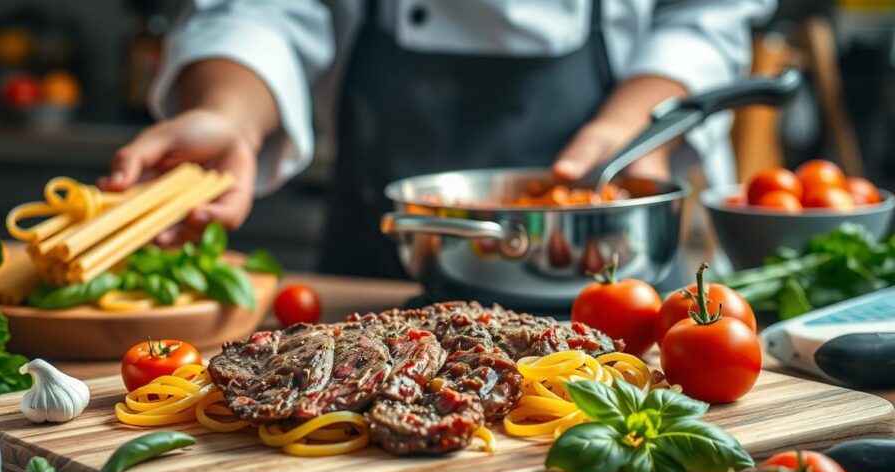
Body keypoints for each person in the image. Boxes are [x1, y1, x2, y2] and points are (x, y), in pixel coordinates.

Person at [102, 0, 775, 278]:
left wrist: (633, 129)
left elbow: (706, 15)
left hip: (599, 266)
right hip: (382, 264)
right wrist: (229, 108)